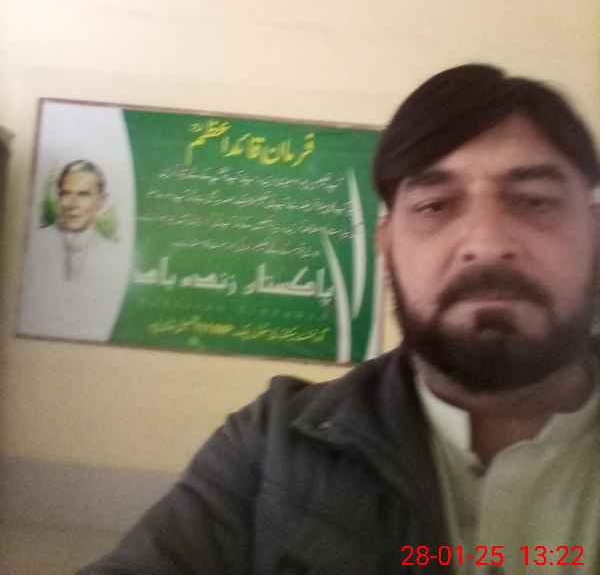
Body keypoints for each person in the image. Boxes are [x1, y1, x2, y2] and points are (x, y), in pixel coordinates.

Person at [79, 64, 600, 575]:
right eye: (436, 206)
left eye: (535, 202)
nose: (486, 243)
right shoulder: (273, 450)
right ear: (386, 246)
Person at [19, 159, 123, 341]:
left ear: (101, 201)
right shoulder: (31, 244)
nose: (72, 204)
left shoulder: (114, 254)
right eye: (66, 193)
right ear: (58, 198)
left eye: (83, 194)